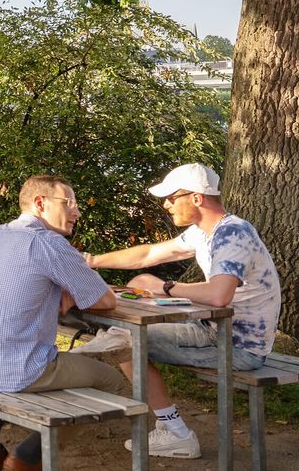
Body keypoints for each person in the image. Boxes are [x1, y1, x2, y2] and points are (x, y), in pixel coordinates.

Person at [86, 163, 281, 459]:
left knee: (124, 343)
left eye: (171, 198)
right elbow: (149, 253)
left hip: (240, 346)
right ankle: (170, 428)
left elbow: (219, 295)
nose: (166, 205)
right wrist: (92, 260)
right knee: (121, 337)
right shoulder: (203, 233)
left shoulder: (233, 233)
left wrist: (163, 287)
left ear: (196, 198)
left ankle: (176, 434)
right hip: (212, 329)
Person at [0, 175, 120, 471]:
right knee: (111, 380)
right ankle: (28, 457)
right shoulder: (49, 243)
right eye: (69, 203)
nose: (77, 212)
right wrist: (71, 289)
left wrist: (63, 287)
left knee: (45, 360)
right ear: (41, 204)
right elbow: (106, 300)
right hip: (16, 369)